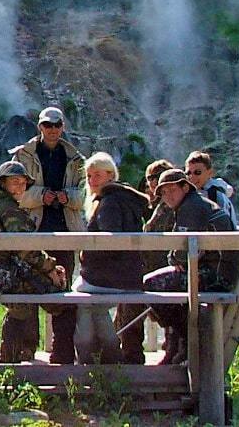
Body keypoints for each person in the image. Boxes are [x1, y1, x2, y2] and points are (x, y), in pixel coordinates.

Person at [8, 106, 84, 364]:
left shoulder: (75, 158)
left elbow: (84, 194)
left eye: (56, 125)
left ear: (63, 127)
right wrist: (41, 196)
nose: (52, 129)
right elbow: (13, 192)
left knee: (62, 291)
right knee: (26, 288)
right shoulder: (23, 155)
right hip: (32, 231)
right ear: (39, 127)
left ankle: (62, 352)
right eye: (47, 125)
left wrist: (67, 197)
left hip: (65, 231)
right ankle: (25, 350)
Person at [143, 168, 238, 364]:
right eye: (163, 192)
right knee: (167, 293)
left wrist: (176, 260)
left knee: (152, 285)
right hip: (217, 269)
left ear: (185, 187)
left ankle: (188, 336)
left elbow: (182, 249)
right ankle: (179, 347)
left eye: (172, 190)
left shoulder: (191, 207)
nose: (167, 196)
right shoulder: (194, 203)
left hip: (215, 275)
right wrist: (177, 260)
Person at [0, 161, 68, 363]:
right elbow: (25, 248)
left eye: (23, 182)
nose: (20, 187)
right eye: (14, 182)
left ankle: (16, 357)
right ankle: (62, 356)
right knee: (62, 299)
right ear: (3, 183)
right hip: (9, 272)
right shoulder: (7, 207)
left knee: (24, 304)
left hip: (2, 270)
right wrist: (51, 268)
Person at [73, 152, 148, 364]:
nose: (91, 180)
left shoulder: (108, 203)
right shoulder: (124, 198)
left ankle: (89, 358)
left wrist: (85, 255)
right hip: (128, 275)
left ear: (110, 175)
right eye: (88, 176)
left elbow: (110, 243)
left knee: (80, 300)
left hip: (110, 277)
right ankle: (108, 355)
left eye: (97, 175)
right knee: (92, 305)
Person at [117, 158, 176, 363]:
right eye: (149, 177)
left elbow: (151, 232)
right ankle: (129, 351)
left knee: (131, 303)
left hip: (161, 267)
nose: (151, 182)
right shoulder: (159, 204)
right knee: (128, 302)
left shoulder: (165, 205)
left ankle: (131, 353)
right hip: (156, 265)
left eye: (156, 178)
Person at [185, 151, 239, 227]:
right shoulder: (188, 193)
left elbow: (224, 226)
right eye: (188, 173)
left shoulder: (216, 195)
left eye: (197, 172)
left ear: (210, 173)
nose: (192, 177)